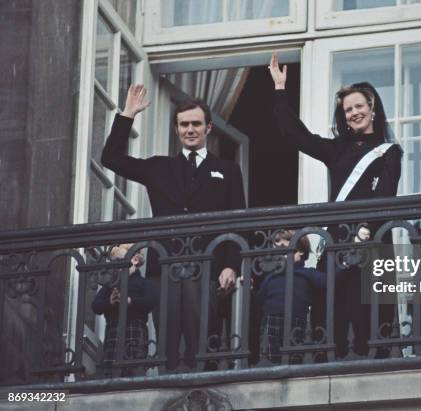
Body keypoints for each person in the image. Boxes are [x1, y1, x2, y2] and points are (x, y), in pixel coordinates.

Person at [101, 85, 246, 371]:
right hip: (164, 267)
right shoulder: (159, 167)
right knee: (167, 344)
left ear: (208, 128)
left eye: (195, 123)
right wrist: (127, 114)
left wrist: (231, 265)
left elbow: (237, 221)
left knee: (202, 342)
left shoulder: (227, 170)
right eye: (183, 124)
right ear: (176, 130)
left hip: (207, 266)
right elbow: (111, 159)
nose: (189, 129)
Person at [268, 54, 402, 358]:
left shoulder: (390, 152)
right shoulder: (337, 148)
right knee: (335, 320)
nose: (353, 113)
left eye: (358, 106)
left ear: (372, 108)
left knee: (373, 323)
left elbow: (385, 196)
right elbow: (295, 135)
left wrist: (366, 229)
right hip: (338, 244)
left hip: (373, 243)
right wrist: (279, 89)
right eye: (347, 109)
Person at [256, 230, 344, 364]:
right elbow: (259, 298)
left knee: (294, 358)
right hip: (271, 320)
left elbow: (328, 280)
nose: (280, 253)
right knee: (269, 358)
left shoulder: (307, 273)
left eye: (284, 249)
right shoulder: (271, 276)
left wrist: (345, 264)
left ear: (300, 251)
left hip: (296, 321)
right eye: (277, 249)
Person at [92, 244, 157, 377]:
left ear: (135, 260)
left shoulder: (143, 283)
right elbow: (96, 306)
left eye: (122, 261)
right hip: (114, 329)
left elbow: (151, 301)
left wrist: (130, 301)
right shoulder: (111, 285)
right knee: (112, 369)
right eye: (116, 262)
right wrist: (110, 302)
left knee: (134, 367)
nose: (118, 266)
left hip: (135, 327)